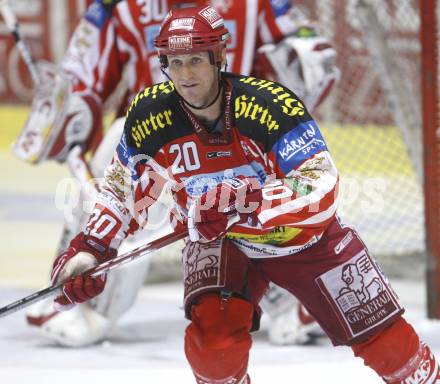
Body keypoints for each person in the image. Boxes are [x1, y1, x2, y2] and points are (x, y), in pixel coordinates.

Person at [47, 5, 440, 383]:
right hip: (218, 240)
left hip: (299, 239)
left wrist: (247, 205)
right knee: (212, 350)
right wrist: (90, 249)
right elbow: (122, 189)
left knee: (391, 349)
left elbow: (319, 185)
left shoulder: (272, 105)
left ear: (218, 56)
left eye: (196, 60)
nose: (184, 74)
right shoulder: (149, 115)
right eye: (174, 62)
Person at [20, 0, 338, 347]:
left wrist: (304, 52)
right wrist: (74, 105)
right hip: (155, 130)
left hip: (235, 126)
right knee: (115, 186)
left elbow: (303, 43)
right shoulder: (119, 6)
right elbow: (82, 71)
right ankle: (90, 299)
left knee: (277, 193)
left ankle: (297, 301)